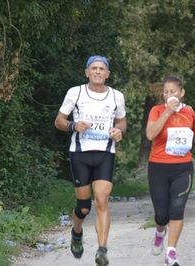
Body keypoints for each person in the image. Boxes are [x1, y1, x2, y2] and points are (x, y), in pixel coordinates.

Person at [54, 55, 126, 266]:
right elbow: (59, 121)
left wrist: (119, 131)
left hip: (105, 153)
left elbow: (122, 121)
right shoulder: (75, 93)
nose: (97, 72)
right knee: (84, 206)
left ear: (107, 74)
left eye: (101, 69)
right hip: (80, 153)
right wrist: (72, 126)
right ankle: (77, 232)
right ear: (87, 72)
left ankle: (102, 250)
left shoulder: (116, 96)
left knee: (102, 200)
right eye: (93, 68)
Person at [146, 76, 195, 266]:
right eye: (166, 92)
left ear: (182, 93)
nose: (169, 95)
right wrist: (167, 112)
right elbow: (150, 134)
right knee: (161, 215)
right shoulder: (157, 110)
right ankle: (160, 232)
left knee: (177, 208)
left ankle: (171, 252)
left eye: (173, 91)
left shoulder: (189, 112)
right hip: (158, 167)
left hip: (183, 168)